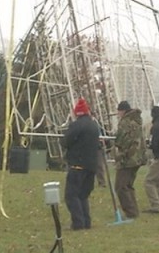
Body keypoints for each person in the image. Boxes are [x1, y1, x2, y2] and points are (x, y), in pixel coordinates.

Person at [61, 97, 100, 230]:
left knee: (71, 195)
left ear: (77, 113)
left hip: (77, 164)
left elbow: (66, 142)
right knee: (83, 195)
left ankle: (78, 223)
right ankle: (86, 222)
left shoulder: (77, 125)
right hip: (91, 165)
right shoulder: (94, 126)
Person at [112, 100, 145, 219]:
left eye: (118, 111)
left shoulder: (125, 122)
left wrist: (118, 154)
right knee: (128, 185)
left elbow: (121, 140)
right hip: (137, 158)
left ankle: (131, 213)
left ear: (122, 111)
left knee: (120, 187)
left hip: (127, 158)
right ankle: (134, 211)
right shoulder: (137, 120)